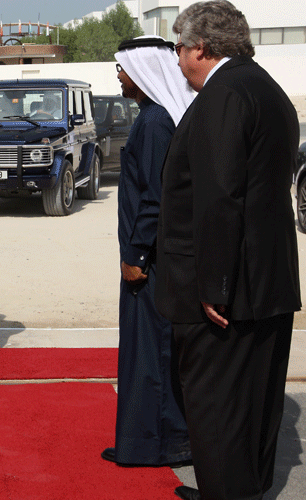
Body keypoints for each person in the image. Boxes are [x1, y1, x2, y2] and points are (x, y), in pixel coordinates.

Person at [156, 2, 301, 499]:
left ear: (201, 46)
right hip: (267, 279)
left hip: (228, 290)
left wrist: (213, 284)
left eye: (179, 48)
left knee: (217, 405)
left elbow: (221, 195)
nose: (177, 61)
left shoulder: (225, 93)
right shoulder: (267, 88)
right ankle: (240, 488)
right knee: (255, 403)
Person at [101, 36, 195, 468]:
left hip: (150, 262)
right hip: (150, 257)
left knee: (152, 353)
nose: (118, 77)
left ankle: (158, 445)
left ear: (142, 71)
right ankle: (149, 440)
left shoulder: (156, 121)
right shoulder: (151, 117)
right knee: (148, 352)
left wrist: (136, 255)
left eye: (122, 68)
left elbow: (155, 199)